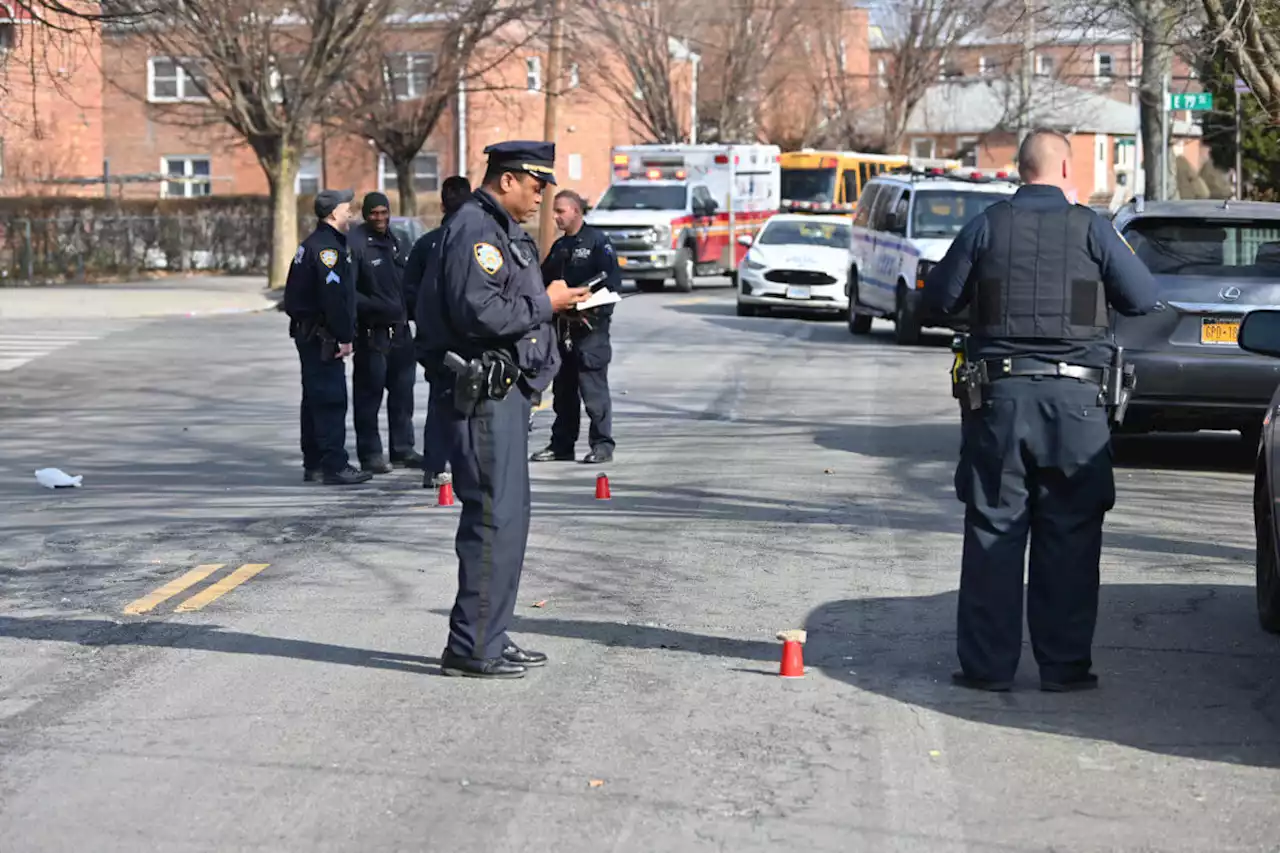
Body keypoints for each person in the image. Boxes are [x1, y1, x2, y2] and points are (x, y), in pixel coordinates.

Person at [922, 128, 1158, 693]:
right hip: (1078, 409)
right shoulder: (1093, 229)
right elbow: (1144, 298)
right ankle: (1064, 667)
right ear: (1066, 171)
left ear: (1018, 170)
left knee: (993, 531)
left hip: (1000, 403)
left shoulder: (986, 226)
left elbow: (937, 302)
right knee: (1071, 535)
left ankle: (987, 669)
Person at [416, 141, 591, 679]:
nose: (542, 197)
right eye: (537, 186)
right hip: (482, 398)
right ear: (509, 179)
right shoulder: (474, 228)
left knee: (508, 522)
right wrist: (548, 303)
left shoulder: (499, 228)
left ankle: (489, 631)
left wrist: (554, 308)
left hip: (506, 394)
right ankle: (472, 647)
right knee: (492, 520)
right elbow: (481, 312)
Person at [283, 188, 373, 486]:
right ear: (334, 212)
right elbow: (334, 298)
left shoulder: (314, 243)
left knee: (313, 399)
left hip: (310, 333)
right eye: (347, 208)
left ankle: (315, 462)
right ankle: (334, 464)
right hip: (323, 337)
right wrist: (344, 336)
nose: (351, 213)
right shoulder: (328, 250)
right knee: (331, 400)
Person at [531, 189, 621, 464]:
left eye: (560, 211)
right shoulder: (560, 247)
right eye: (554, 211)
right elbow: (541, 281)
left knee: (593, 392)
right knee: (563, 393)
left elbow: (612, 284)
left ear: (576, 211)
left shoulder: (598, 243)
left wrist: (588, 304)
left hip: (589, 331)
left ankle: (602, 445)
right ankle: (562, 444)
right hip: (562, 330)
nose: (556, 216)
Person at [348, 191, 421, 473]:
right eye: (373, 213)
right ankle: (371, 455)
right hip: (372, 334)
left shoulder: (397, 241)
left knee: (403, 396)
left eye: (383, 212)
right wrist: (376, 307)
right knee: (369, 398)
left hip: (401, 333)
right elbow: (348, 294)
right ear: (365, 215)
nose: (379, 218)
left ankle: (403, 449)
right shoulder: (355, 244)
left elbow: (408, 283)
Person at [408, 175, 473, 489]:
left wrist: (424, 322)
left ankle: (435, 466)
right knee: (471, 404)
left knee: (440, 401)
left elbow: (408, 292)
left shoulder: (425, 244)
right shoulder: (473, 241)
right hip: (467, 341)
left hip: (434, 342)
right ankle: (466, 464)